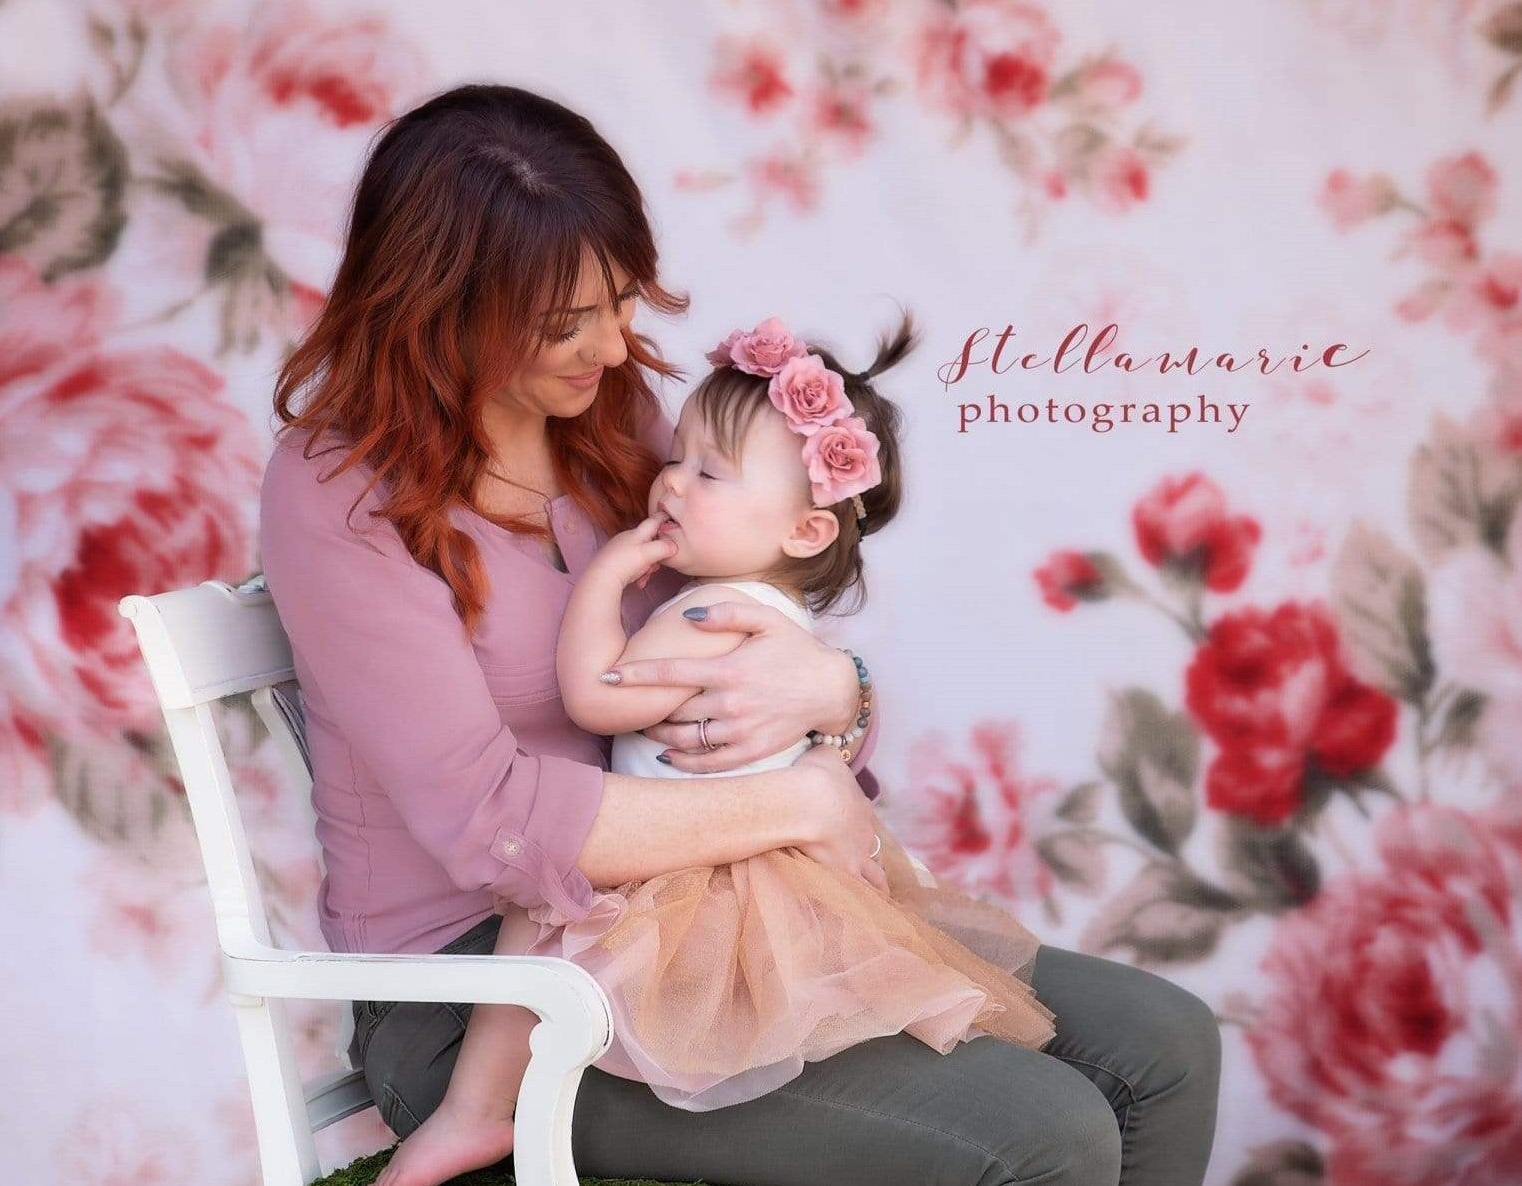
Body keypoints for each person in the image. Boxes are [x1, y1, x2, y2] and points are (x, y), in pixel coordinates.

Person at [258, 82, 1221, 1186]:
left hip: (703, 912)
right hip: (488, 992)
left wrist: (835, 691)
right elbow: (492, 823)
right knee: (1046, 1131)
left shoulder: (610, 424)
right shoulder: (338, 495)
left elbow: (772, 594)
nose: (618, 346)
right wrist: (798, 800)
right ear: (440, 308)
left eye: (621, 300)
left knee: (1167, 1051)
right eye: (567, 323)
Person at [374, 312, 1065, 1185]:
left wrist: (602, 582)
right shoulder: (778, 619)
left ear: (805, 532)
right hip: (766, 862)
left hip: (692, 874)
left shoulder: (702, 617)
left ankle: (475, 1112)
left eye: (707, 472)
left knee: (538, 911)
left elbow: (596, 696)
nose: (668, 483)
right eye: (676, 459)